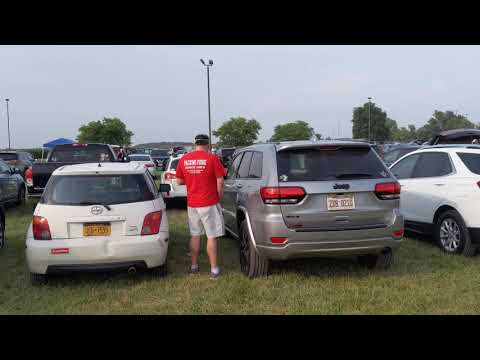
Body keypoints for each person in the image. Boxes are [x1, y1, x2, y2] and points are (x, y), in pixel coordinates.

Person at [175, 134, 226, 279]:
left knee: (195, 234)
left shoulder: (184, 159)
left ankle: (194, 266)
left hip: (192, 203)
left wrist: (193, 180)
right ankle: (214, 270)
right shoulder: (212, 158)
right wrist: (219, 198)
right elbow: (220, 182)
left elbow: (178, 181)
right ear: (207, 144)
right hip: (209, 202)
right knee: (211, 235)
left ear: (195, 144)